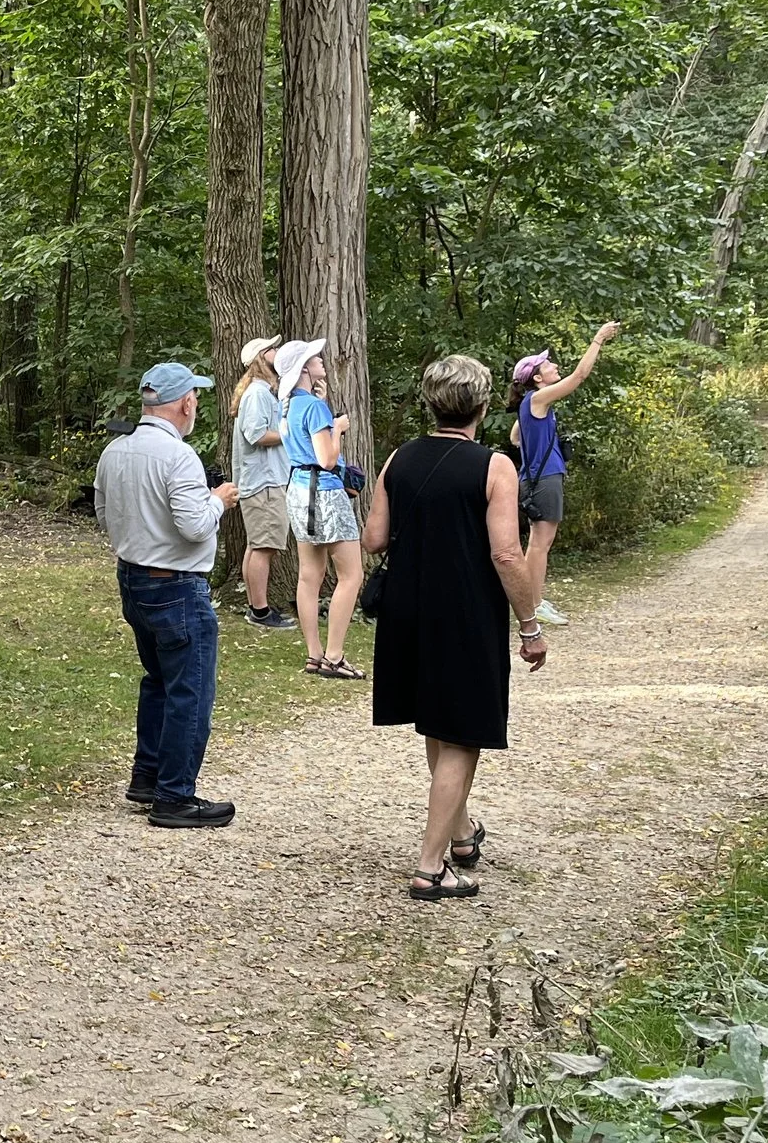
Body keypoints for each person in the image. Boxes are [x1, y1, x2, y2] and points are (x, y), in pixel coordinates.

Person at [364, 355, 549, 899]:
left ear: (430, 403)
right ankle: (429, 867)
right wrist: (529, 625)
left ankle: (462, 835)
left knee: (438, 725)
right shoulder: (494, 466)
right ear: (484, 407)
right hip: (463, 610)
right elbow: (507, 554)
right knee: (464, 732)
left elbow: (374, 539)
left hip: (407, 610)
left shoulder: (399, 458)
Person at [94, 360, 239, 830]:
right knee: (189, 690)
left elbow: (102, 511)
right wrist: (218, 501)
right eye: (194, 397)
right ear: (185, 403)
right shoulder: (179, 458)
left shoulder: (116, 449)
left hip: (134, 577)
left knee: (158, 679)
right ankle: (175, 796)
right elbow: (194, 526)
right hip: (176, 584)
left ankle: (148, 775)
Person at [508, 322, 621, 626]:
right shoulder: (537, 399)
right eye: (548, 364)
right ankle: (532, 606)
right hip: (545, 479)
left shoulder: (529, 404)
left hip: (537, 479)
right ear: (536, 378)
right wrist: (598, 340)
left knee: (538, 541)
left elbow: (515, 437)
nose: (555, 365)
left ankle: (535, 600)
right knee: (540, 543)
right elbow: (580, 376)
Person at [276, 338, 365, 680]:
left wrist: (322, 406)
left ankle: (314, 654)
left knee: (309, 575)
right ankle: (335, 655)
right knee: (351, 574)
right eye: (315, 359)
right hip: (325, 494)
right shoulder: (315, 409)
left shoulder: (288, 406)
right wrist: (338, 429)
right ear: (303, 370)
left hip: (298, 491)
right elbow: (327, 460)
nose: (322, 362)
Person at [228, 336, 294, 630]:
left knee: (257, 546)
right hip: (264, 482)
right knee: (264, 547)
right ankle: (260, 612)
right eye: (272, 349)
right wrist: (291, 433)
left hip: (267, 480)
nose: (277, 352)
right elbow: (257, 435)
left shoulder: (265, 392)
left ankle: (256, 607)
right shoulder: (257, 393)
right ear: (260, 358)